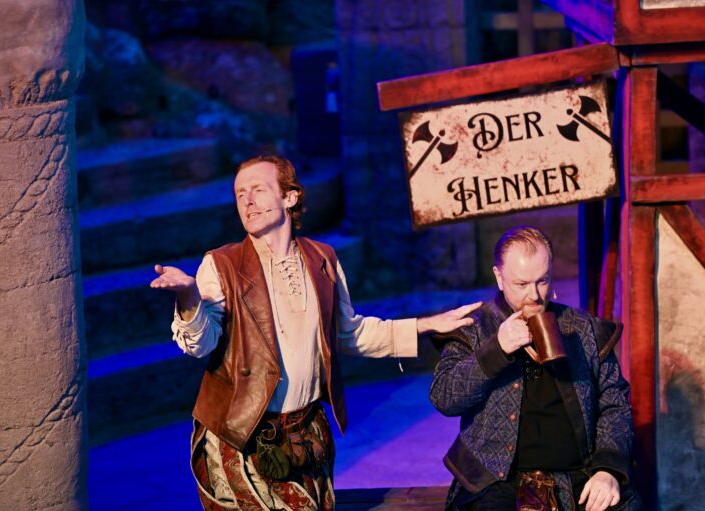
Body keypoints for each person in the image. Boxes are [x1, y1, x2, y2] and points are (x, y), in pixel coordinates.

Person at [150, 154, 481, 510]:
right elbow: (201, 344)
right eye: (239, 193)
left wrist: (425, 325)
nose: (247, 201)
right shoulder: (222, 265)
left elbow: (348, 334)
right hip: (239, 435)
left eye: (258, 190)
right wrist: (189, 297)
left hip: (304, 432)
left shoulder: (322, 260)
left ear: (289, 197)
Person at [430, 226, 640, 511]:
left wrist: (608, 468)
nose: (535, 296)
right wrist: (496, 349)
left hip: (580, 477)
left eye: (542, 281)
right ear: (499, 278)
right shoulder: (474, 329)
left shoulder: (584, 329)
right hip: (495, 483)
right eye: (521, 284)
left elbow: (615, 405)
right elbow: (445, 397)